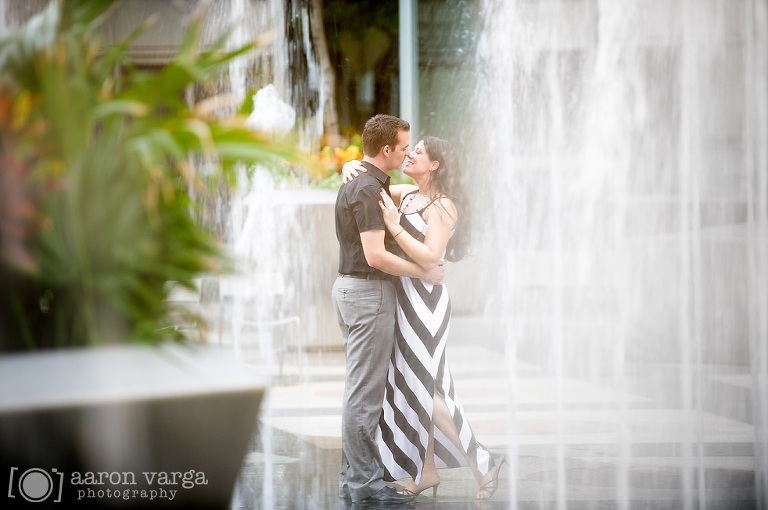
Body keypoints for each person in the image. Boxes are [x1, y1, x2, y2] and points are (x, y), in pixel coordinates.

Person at [342, 135, 505, 501]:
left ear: (435, 165)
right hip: (403, 296)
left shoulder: (444, 206)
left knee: (426, 387)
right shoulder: (408, 194)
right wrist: (347, 165)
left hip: (425, 303)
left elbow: (431, 259)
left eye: (418, 152)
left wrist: (393, 225)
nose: (410, 154)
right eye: (409, 148)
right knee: (411, 385)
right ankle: (426, 470)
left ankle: (481, 462)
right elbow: (367, 179)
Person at [332, 114, 445, 505]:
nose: (407, 151)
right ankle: (365, 485)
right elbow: (376, 256)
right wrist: (423, 270)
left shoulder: (368, 181)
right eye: (403, 147)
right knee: (364, 395)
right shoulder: (366, 188)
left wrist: (353, 164)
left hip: (353, 292)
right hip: (368, 293)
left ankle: (357, 479)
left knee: (358, 391)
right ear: (386, 150)